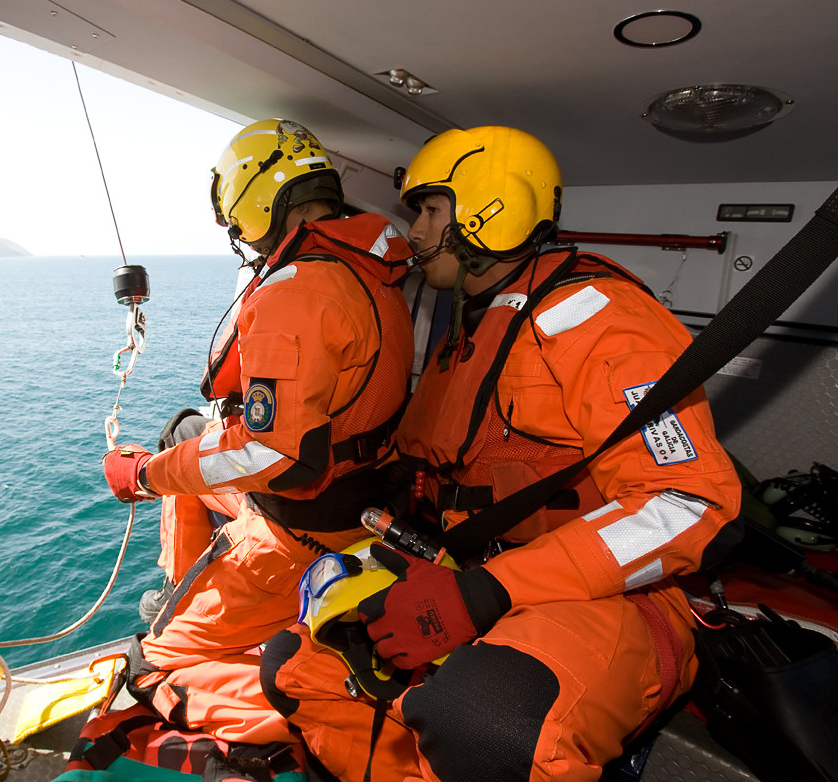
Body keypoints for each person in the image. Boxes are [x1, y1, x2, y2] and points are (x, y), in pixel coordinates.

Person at [260, 126, 744, 780]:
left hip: (612, 599)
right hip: (469, 567)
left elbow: (690, 504)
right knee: (296, 663)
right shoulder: (470, 323)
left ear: (493, 210)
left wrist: (491, 590)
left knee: (485, 723)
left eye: (430, 212)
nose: (415, 233)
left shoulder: (599, 317)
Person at [101, 118, 417, 743]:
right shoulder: (368, 272)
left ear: (256, 202)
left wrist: (141, 476)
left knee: (153, 667)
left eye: (238, 221)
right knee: (181, 439)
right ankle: (183, 593)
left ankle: (341, 703)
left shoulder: (293, 292)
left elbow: (277, 454)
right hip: (361, 502)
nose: (242, 237)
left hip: (297, 527)